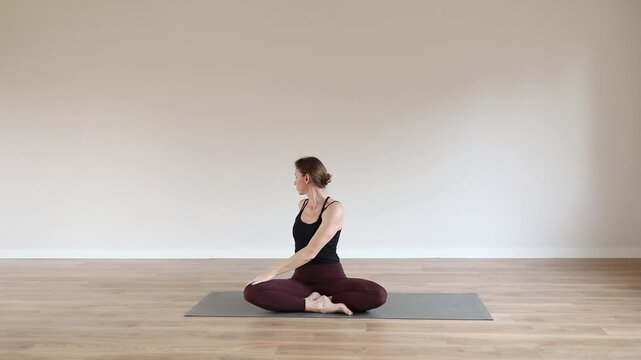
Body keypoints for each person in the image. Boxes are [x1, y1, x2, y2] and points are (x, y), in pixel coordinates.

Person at [244, 156, 387, 315]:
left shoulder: (334, 208)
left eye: (295, 177)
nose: (294, 182)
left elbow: (311, 252)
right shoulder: (302, 205)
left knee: (378, 294)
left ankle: (328, 299)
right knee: (252, 291)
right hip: (301, 281)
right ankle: (315, 305)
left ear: (306, 178)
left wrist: (272, 272)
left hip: (333, 281)